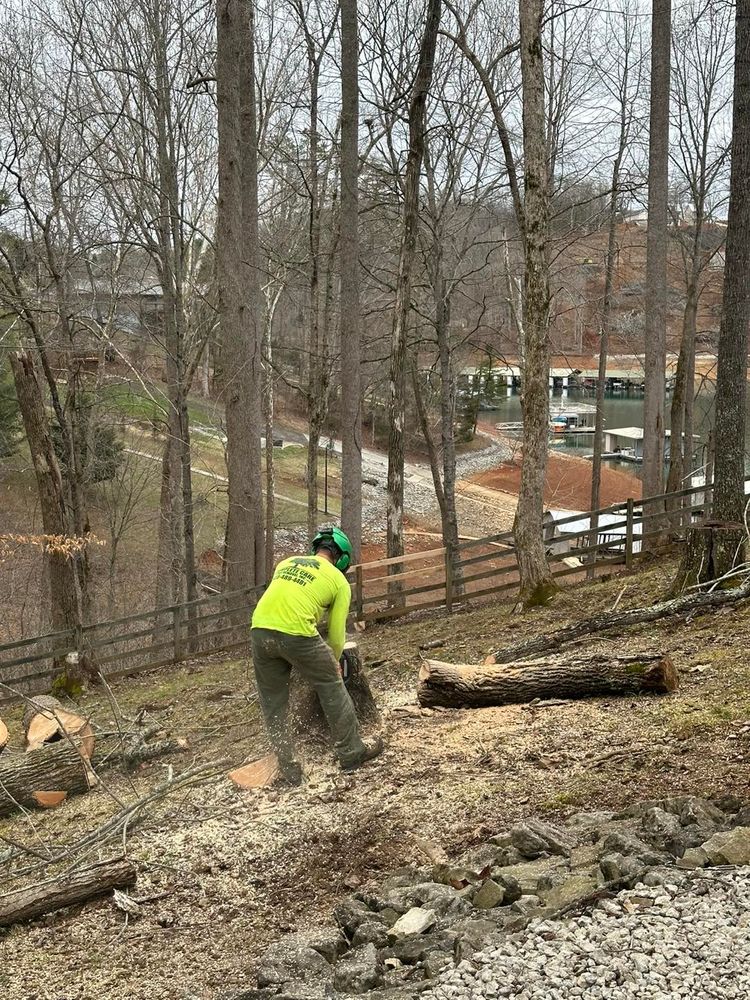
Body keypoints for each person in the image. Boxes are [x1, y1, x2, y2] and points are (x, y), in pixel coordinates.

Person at [250, 526, 383, 782]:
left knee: (273, 701)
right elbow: (335, 634)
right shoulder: (338, 580)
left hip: (259, 630)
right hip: (296, 632)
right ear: (343, 558)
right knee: (331, 684)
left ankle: (289, 768)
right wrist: (331, 661)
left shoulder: (286, 563)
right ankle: (351, 751)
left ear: (315, 548)